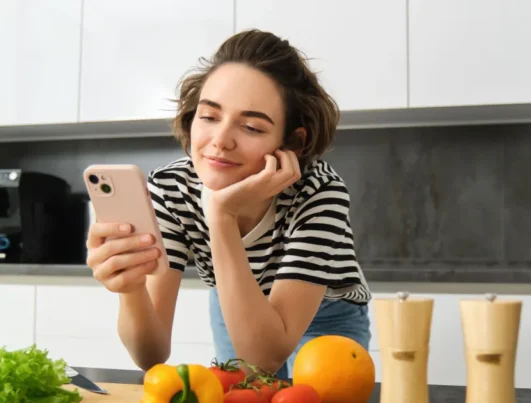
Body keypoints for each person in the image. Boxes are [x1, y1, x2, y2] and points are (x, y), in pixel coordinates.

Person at [85, 29, 372, 379]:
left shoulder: (319, 192)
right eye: (209, 116)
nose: (220, 141)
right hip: (232, 303)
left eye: (250, 126)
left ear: (294, 141)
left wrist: (221, 214)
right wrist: (130, 291)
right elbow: (151, 355)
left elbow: (264, 358)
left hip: (327, 310)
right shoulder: (172, 188)